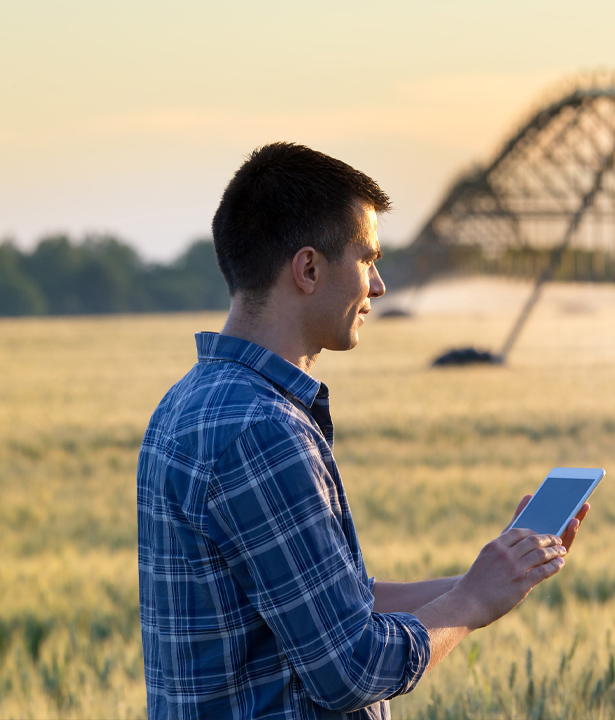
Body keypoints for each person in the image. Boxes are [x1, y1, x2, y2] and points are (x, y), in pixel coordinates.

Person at [137, 142, 589, 719]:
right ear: (308, 269)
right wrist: (472, 602)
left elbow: (337, 606)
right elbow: (350, 669)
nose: (377, 286)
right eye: (367, 259)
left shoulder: (187, 403)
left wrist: (498, 573)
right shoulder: (262, 431)